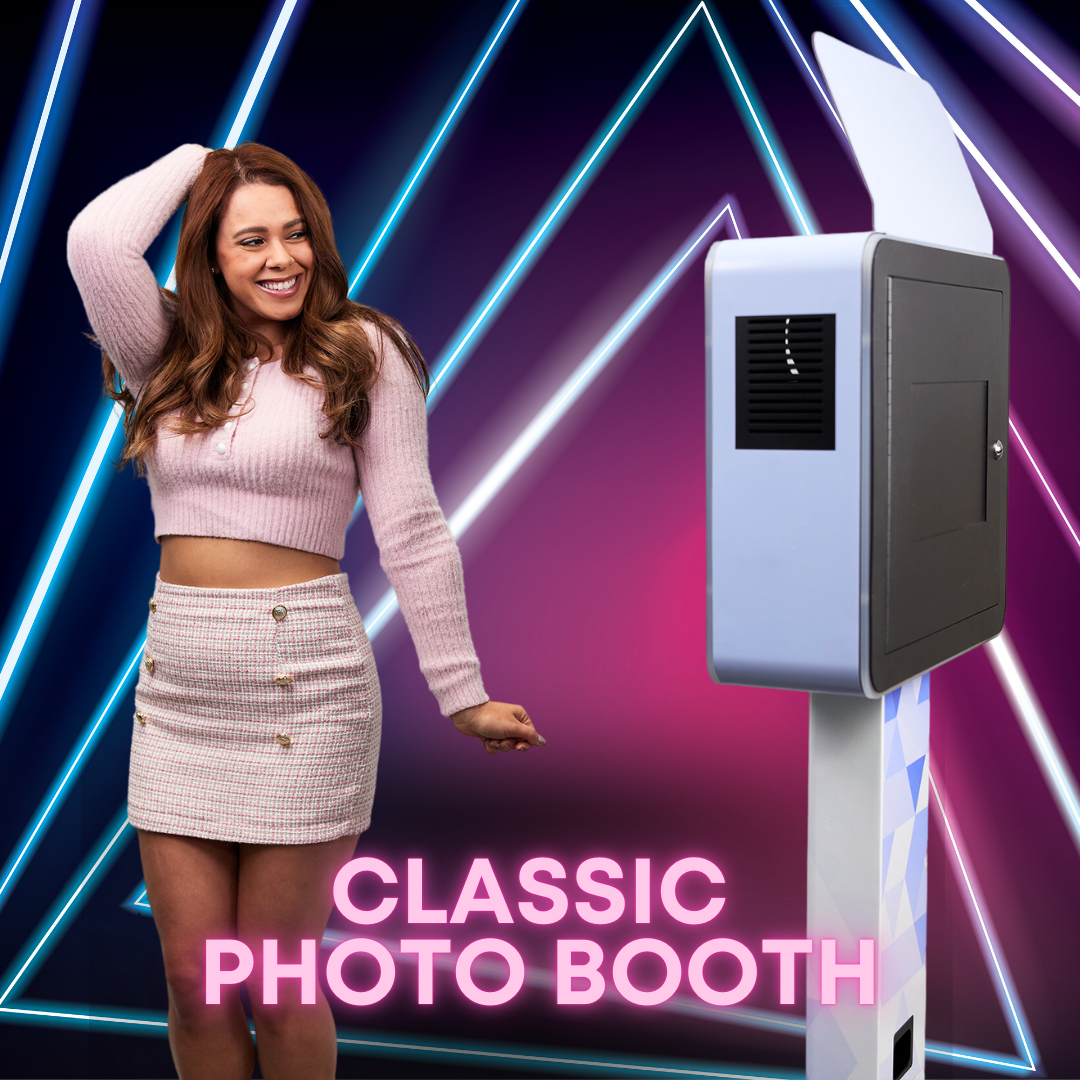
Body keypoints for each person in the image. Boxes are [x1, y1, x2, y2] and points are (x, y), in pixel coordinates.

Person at [67, 143, 544, 1080]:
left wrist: (464, 693)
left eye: (296, 234)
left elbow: (410, 525)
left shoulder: (365, 351)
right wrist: (206, 160)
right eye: (250, 240)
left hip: (307, 690)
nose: (281, 257)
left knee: (281, 986)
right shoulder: (169, 351)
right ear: (209, 258)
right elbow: (97, 243)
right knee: (195, 984)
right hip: (181, 693)